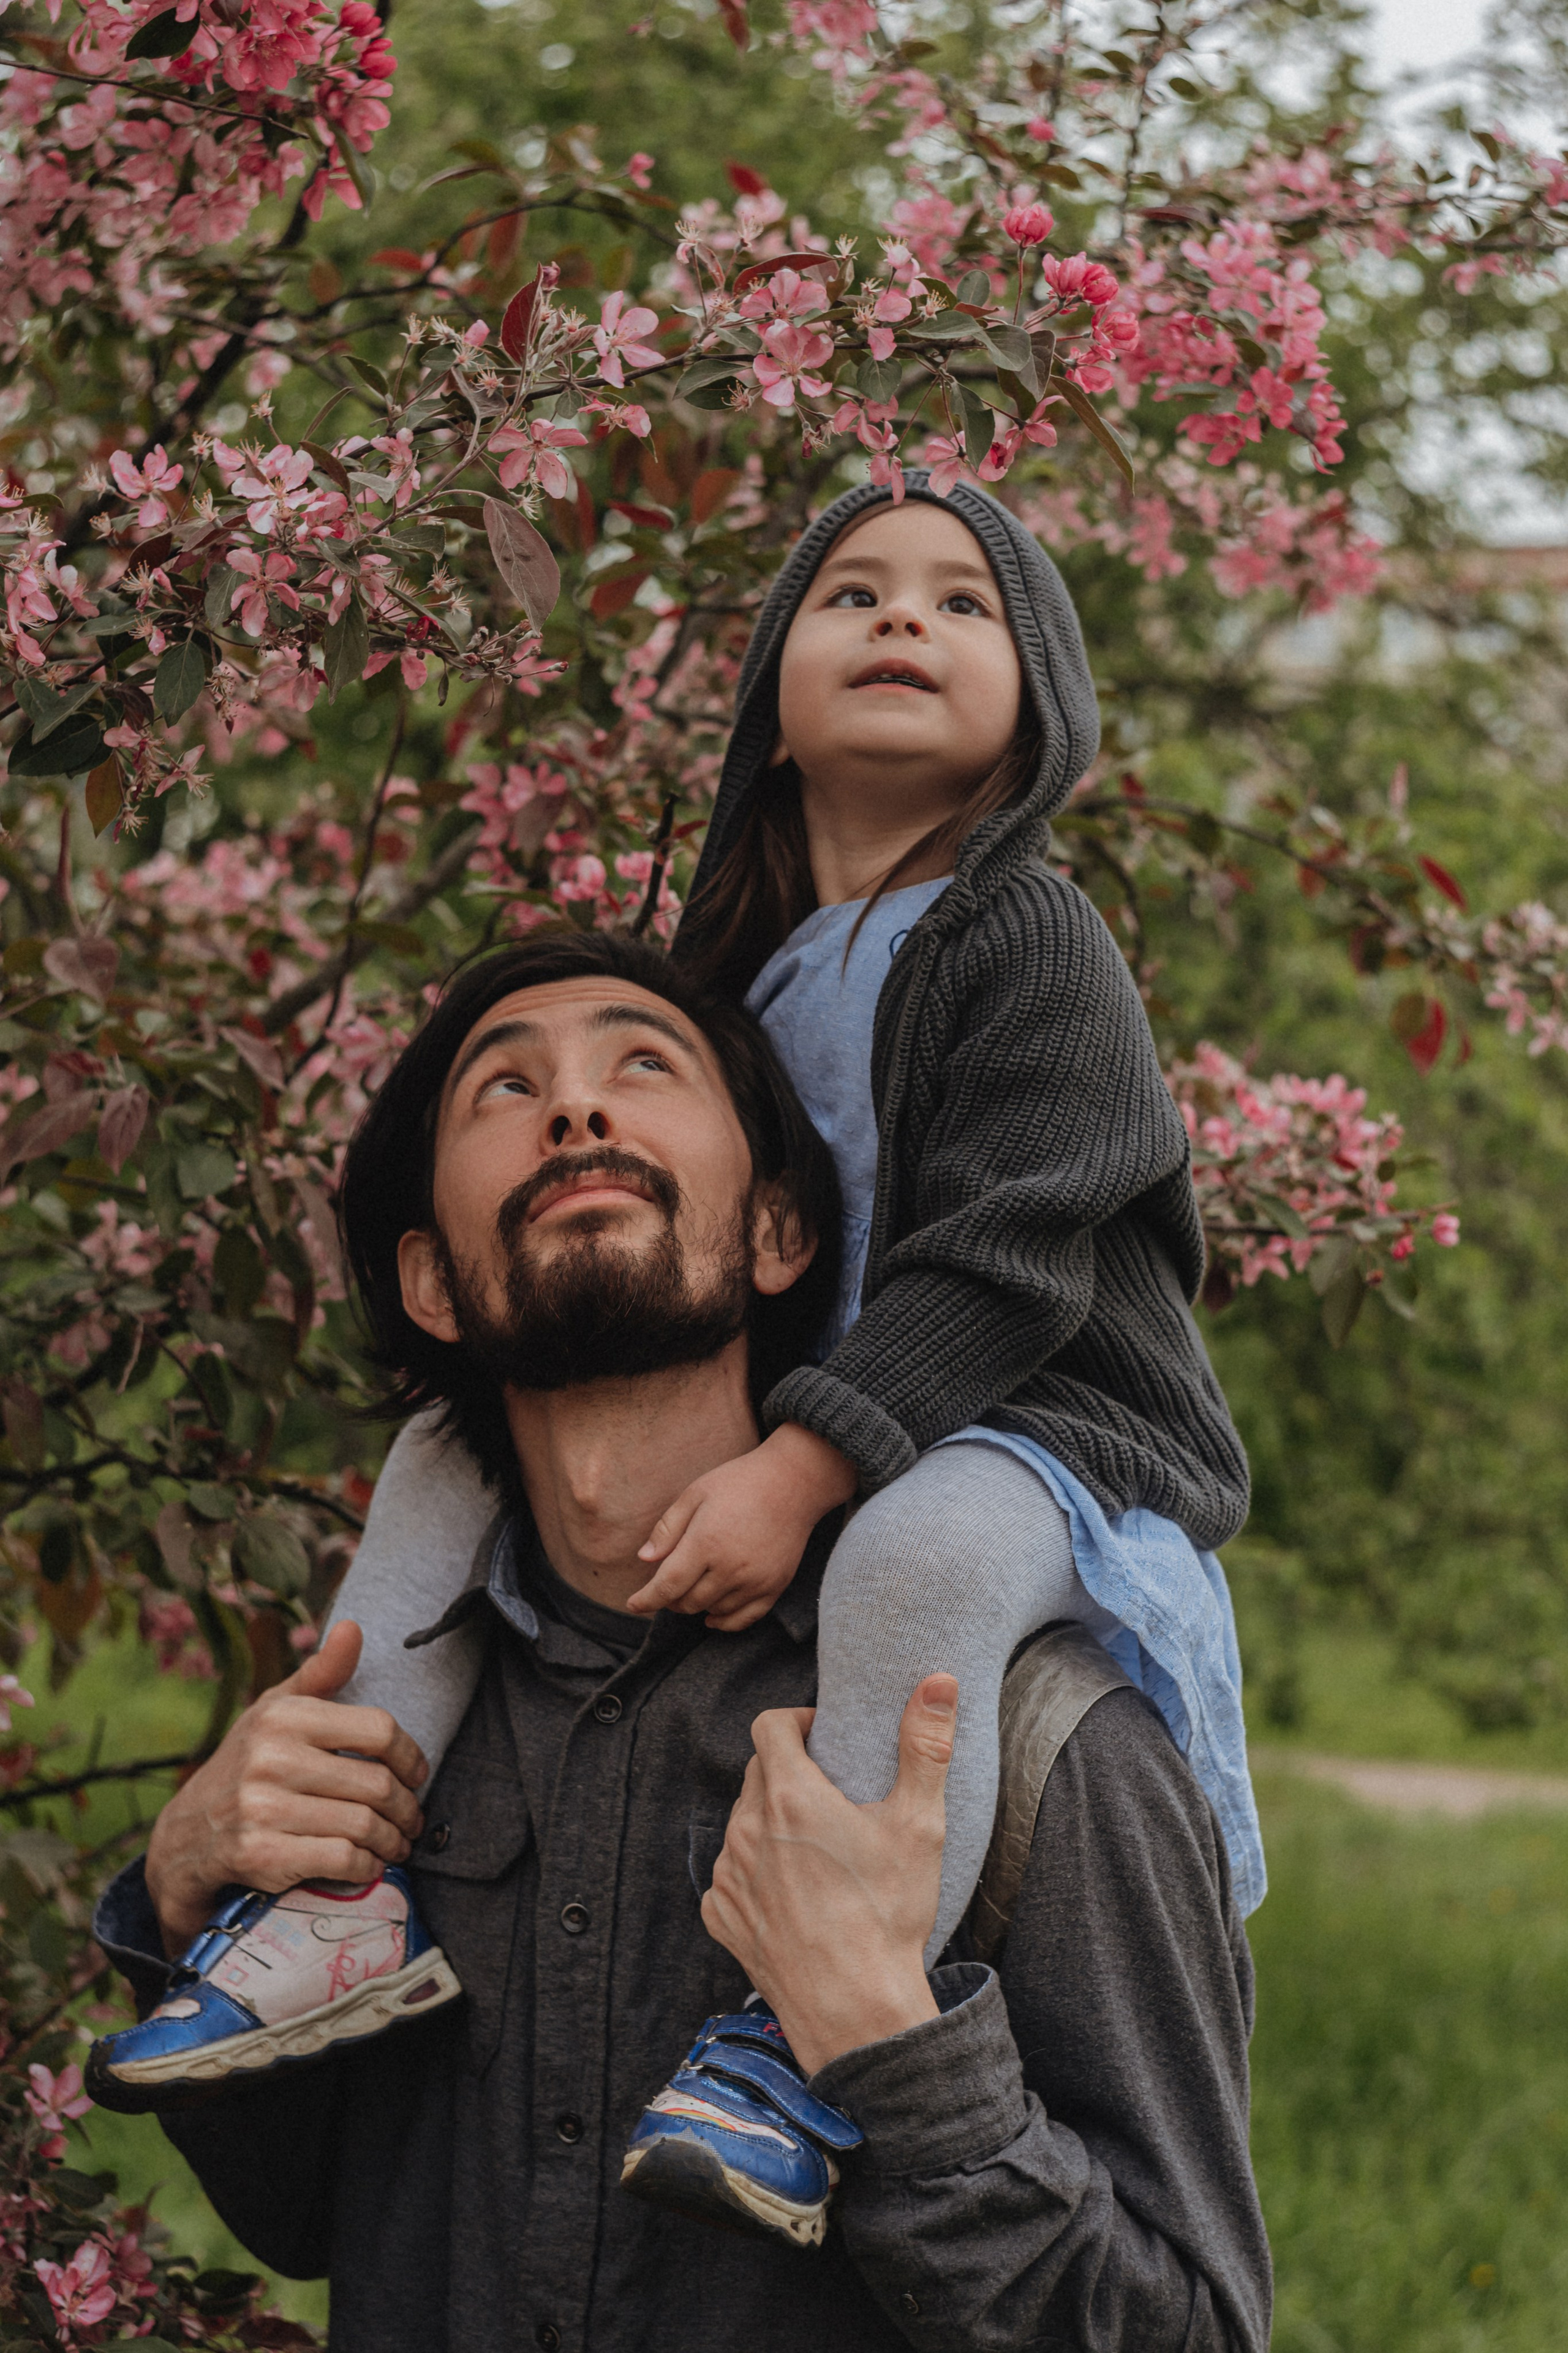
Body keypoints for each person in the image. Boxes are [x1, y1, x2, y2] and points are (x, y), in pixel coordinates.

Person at [94, 472, 1261, 2243]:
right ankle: (327, 1902)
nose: (902, 617)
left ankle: (813, 2023)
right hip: (859, 1412)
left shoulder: (1028, 931)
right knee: (437, 1460)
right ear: (766, 712)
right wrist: (184, 1872)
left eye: (963, 603)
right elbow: (312, 2231)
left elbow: (1015, 1249)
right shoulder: (755, 970)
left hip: (1041, 1422)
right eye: (850, 592)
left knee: (915, 1557)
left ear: (1041, 720)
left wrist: (803, 1462)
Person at [89, 932, 1272, 2351]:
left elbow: (1190, 2329)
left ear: (779, 1232)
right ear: (431, 1282)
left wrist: (888, 2048)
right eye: (504, 1087)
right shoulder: (378, 1724)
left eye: (641, 1063)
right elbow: (302, 2213)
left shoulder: (1022, 1745)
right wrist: (180, 1898)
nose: (574, 1107)